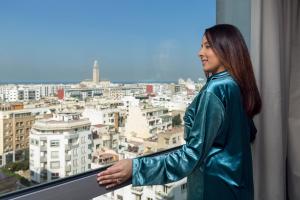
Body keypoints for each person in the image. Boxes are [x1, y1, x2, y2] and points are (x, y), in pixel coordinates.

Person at [96, 24, 262, 200]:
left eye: (207, 46)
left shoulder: (215, 89)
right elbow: (248, 133)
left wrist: (136, 168)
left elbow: (191, 156)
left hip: (213, 188)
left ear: (226, 49)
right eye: (201, 46)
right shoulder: (236, 85)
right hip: (238, 185)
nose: (200, 53)